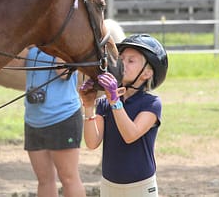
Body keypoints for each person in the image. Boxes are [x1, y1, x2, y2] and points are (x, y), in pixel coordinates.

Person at [79, 34, 168, 197]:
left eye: (131, 61)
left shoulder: (152, 103)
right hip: (109, 186)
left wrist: (114, 101)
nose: (122, 64)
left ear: (147, 73)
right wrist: (89, 106)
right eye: (121, 59)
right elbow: (92, 143)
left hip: (141, 187)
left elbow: (130, 134)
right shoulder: (105, 103)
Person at [20, 46, 86, 197]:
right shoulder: (33, 44)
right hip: (33, 119)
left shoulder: (63, 42)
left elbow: (62, 73)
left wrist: (53, 41)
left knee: (68, 178)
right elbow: (15, 60)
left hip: (63, 117)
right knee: (44, 180)